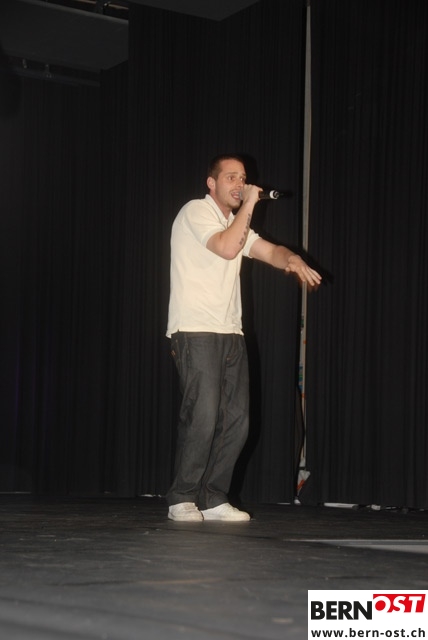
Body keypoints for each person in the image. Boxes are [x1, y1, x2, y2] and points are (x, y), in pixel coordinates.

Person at [166, 154, 322, 522]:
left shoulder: (234, 224)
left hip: (230, 332)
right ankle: (182, 497)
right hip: (195, 329)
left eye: (244, 178)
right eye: (231, 177)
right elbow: (226, 247)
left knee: (238, 420)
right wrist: (251, 201)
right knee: (203, 415)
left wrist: (291, 259)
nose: (240, 184)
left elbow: (268, 250)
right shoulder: (195, 212)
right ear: (212, 183)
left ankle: (213, 497)